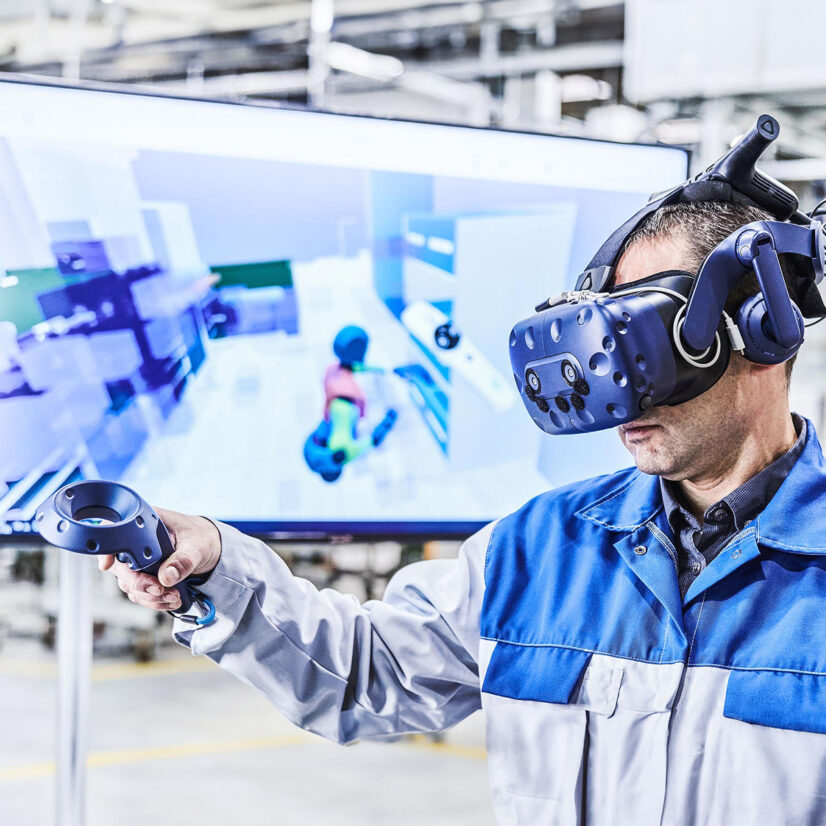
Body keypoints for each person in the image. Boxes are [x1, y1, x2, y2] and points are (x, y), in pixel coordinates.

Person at [101, 201, 826, 826]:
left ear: (763, 326)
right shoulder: (540, 549)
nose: (618, 394)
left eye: (643, 341)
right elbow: (366, 675)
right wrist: (221, 567)